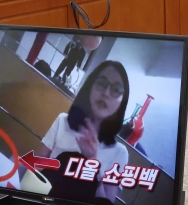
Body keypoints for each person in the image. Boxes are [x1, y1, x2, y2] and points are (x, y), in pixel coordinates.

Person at [38, 60, 130, 204]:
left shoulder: (120, 152)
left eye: (116, 89)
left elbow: (106, 201)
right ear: (90, 87)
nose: (106, 93)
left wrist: (92, 161)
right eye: (101, 83)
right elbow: (38, 166)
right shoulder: (63, 121)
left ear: (122, 102)